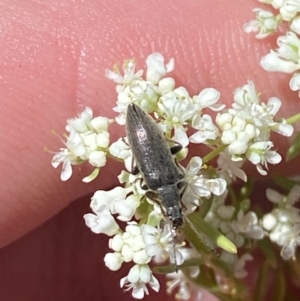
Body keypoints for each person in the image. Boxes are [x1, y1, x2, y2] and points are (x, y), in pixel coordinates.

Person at [0, 1, 298, 300]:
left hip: (145, 138)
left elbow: (158, 172)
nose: (174, 210)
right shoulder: (165, 183)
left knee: (148, 164)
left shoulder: (163, 184)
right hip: (145, 134)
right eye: (175, 209)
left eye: (173, 209)